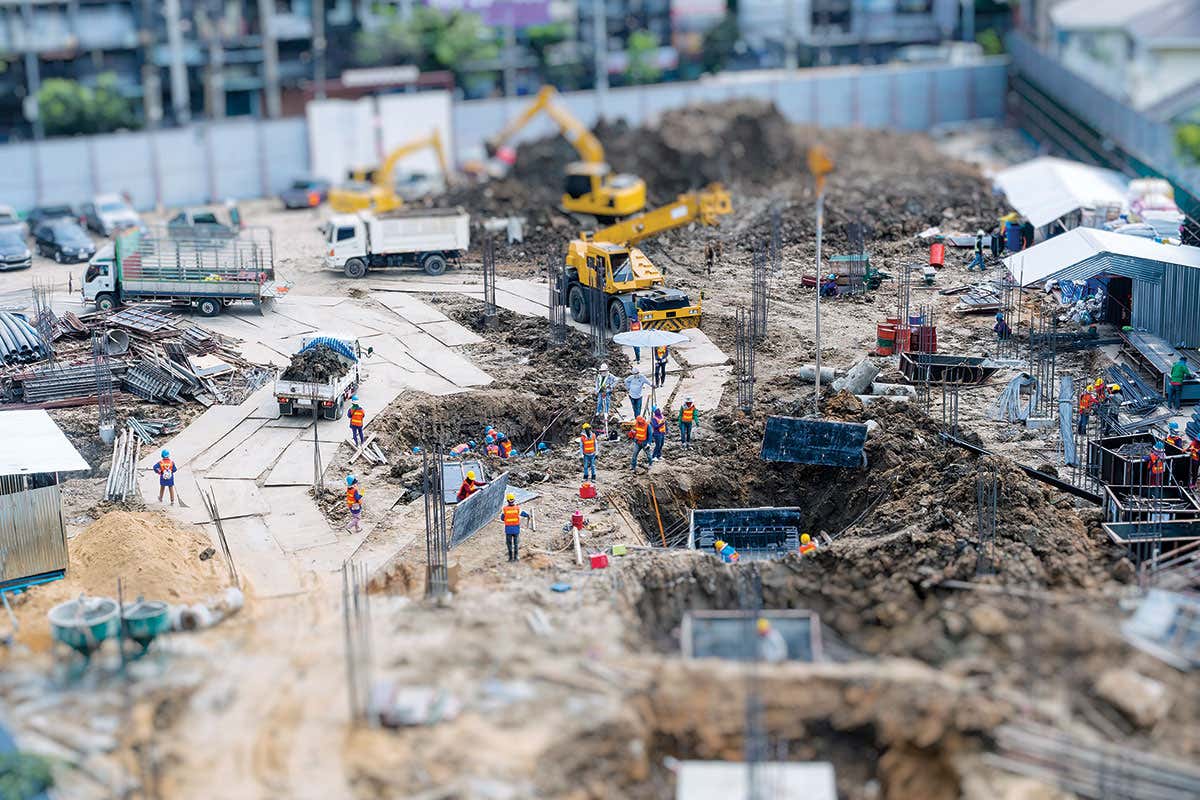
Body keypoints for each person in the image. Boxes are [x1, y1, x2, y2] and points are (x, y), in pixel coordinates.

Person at [499, 493, 530, 562]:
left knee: (509, 544)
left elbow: (502, 518)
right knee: (516, 544)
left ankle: (510, 558)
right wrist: (528, 515)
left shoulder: (505, 509)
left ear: (507, 500)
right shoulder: (517, 508)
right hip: (516, 529)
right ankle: (516, 558)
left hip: (508, 530)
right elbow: (524, 514)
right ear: (514, 500)